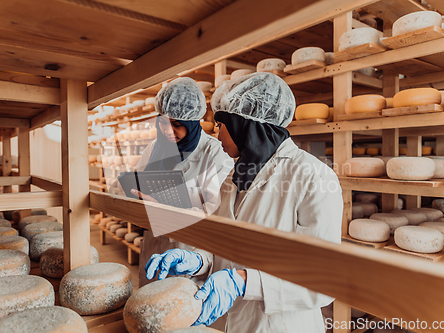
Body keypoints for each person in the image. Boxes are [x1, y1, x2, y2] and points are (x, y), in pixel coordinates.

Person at [145, 72, 343, 332]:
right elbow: (223, 248)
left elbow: (325, 279)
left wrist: (243, 281)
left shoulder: (311, 175)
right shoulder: (235, 175)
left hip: (280, 325)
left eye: (220, 126)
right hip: (229, 320)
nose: (217, 136)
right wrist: (198, 261)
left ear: (243, 124)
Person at [134, 77, 234, 287]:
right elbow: (139, 184)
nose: (168, 131)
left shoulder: (215, 154)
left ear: (192, 121)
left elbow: (215, 215)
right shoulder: (154, 148)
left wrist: (162, 204)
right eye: (163, 123)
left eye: (177, 125)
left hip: (189, 253)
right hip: (154, 244)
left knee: (181, 309)